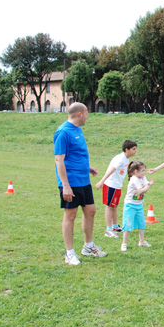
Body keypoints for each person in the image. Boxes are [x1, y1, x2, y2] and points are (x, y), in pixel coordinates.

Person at [54, 102, 106, 265]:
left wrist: (87, 167)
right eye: (86, 113)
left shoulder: (78, 130)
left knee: (90, 210)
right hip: (71, 181)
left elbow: (75, 155)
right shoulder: (63, 132)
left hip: (83, 179)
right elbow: (59, 160)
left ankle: (88, 246)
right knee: (71, 214)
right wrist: (66, 186)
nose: (87, 116)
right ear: (79, 114)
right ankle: (69, 253)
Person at [95, 140, 138, 238]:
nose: (135, 151)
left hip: (117, 186)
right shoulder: (120, 159)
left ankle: (115, 226)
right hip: (111, 185)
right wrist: (101, 181)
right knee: (109, 206)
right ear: (126, 149)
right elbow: (111, 170)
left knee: (114, 206)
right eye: (133, 149)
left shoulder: (126, 159)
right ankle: (108, 229)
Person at [121, 161, 154, 251]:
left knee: (141, 224)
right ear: (135, 171)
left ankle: (142, 241)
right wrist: (147, 187)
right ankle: (124, 243)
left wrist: (146, 186)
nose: (144, 172)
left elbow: (145, 187)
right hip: (130, 206)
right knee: (127, 225)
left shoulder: (142, 177)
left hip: (139, 205)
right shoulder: (134, 179)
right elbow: (144, 190)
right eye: (142, 171)